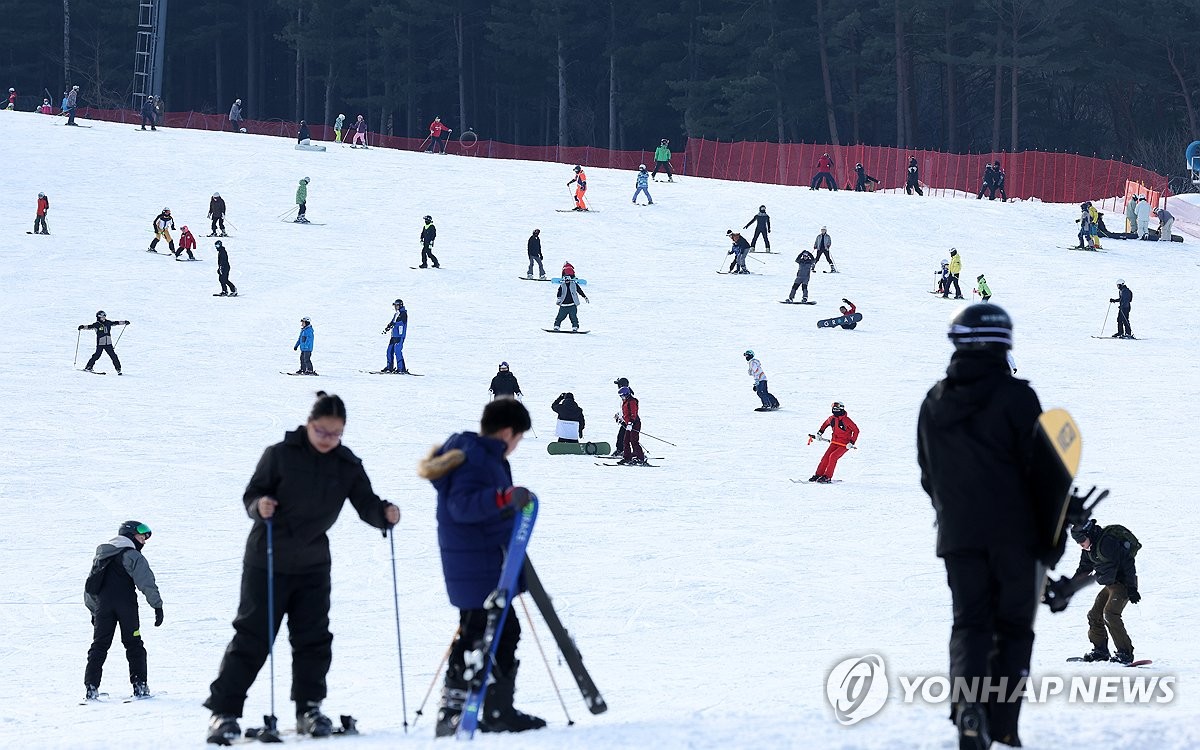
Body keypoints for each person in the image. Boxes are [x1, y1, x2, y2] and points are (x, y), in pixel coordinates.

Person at [204, 392, 400, 744]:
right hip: (267, 558)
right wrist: (259, 505)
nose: (329, 440)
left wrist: (383, 514)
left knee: (313, 638)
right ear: (309, 425)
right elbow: (252, 494)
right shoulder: (279, 455)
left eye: (336, 434)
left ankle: (309, 708)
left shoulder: (347, 464)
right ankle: (225, 713)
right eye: (323, 432)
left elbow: (366, 503)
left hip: (312, 565)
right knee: (253, 636)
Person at [917, 303, 1046, 750]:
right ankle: (1003, 721)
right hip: (1015, 535)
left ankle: (968, 711)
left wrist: (952, 516)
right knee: (1013, 627)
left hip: (958, 536)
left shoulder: (933, 400)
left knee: (969, 623)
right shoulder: (1018, 397)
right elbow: (1045, 473)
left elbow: (927, 473)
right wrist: (1049, 545)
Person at [418, 398, 545, 737]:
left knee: (502, 632)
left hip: (485, 562)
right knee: (477, 633)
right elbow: (462, 506)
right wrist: (504, 500)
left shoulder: (483, 456)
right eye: (518, 439)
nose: (516, 446)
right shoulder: (476, 459)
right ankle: (454, 708)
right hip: (476, 565)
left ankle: (495, 708)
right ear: (507, 432)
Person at [83, 521, 164, 702]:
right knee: (134, 643)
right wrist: (157, 606)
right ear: (129, 535)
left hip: (104, 608)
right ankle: (140, 686)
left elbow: (90, 587)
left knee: (99, 645)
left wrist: (94, 612)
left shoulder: (101, 557)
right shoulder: (132, 556)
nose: (143, 541)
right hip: (126, 608)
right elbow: (146, 582)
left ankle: (91, 687)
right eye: (141, 536)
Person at [1068, 519, 1141, 664]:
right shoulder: (1088, 550)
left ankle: (1125, 653)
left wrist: (1132, 588)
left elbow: (1127, 562)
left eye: (1082, 540)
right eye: (1078, 542)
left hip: (1124, 584)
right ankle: (1100, 650)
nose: (1080, 544)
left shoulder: (1107, 543)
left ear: (1089, 534)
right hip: (1110, 585)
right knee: (1094, 614)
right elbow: (1084, 569)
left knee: (1110, 614)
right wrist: (1070, 586)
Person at [810, 401, 858, 481]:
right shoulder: (831, 418)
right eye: (833, 408)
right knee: (825, 458)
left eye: (836, 408)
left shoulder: (847, 420)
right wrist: (819, 433)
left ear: (841, 409)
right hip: (834, 442)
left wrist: (851, 442)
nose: (835, 410)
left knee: (833, 457)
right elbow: (825, 424)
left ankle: (827, 477)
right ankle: (818, 474)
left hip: (844, 445)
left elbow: (856, 431)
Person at [616, 387, 647, 464]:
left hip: (635, 423)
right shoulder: (625, 402)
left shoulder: (632, 401)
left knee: (634, 441)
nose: (621, 397)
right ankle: (627, 458)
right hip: (628, 424)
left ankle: (640, 458)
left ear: (627, 394)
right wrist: (622, 419)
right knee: (626, 441)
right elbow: (626, 414)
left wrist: (630, 422)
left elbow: (633, 413)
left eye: (622, 396)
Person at [380, 299, 408, 373]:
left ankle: (401, 369)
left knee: (397, 351)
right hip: (393, 336)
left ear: (400, 305)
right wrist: (388, 326)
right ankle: (389, 367)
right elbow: (393, 321)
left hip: (399, 336)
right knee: (389, 351)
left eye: (396, 305)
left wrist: (394, 324)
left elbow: (401, 322)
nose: (395, 307)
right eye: (394, 305)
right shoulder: (396, 314)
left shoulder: (403, 314)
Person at [611, 378, 632, 456]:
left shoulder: (627, 395)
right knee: (622, 436)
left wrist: (620, 416)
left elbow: (627, 409)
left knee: (624, 437)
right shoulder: (623, 393)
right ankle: (620, 450)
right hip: (625, 419)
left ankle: (621, 451)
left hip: (629, 420)